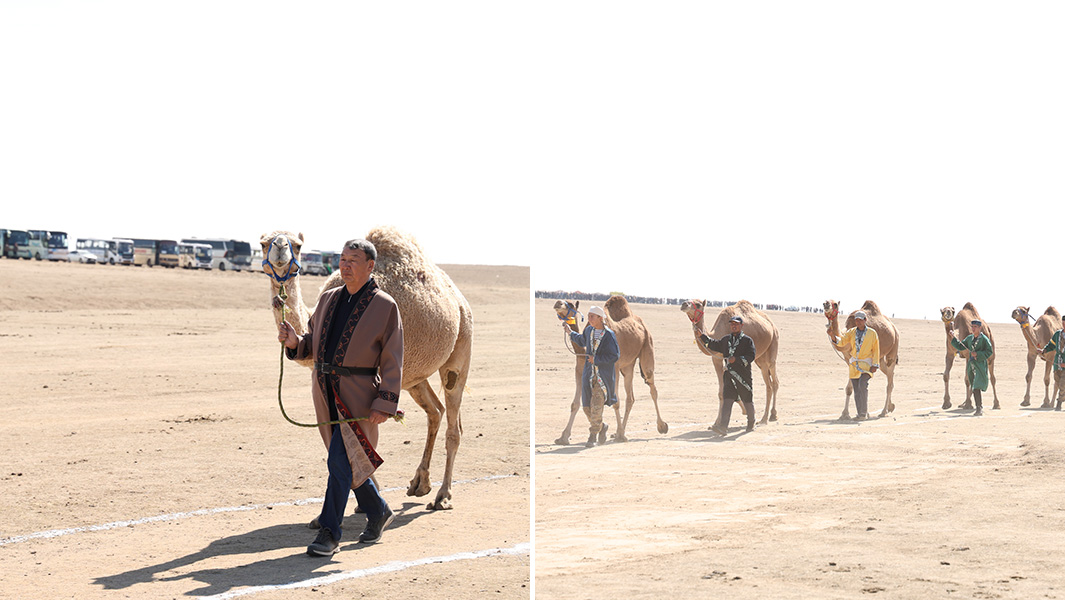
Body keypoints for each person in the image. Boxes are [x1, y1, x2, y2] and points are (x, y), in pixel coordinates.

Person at [278, 239, 403, 556]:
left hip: (358, 396)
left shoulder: (385, 306)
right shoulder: (328, 299)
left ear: (370, 265)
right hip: (324, 393)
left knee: (340, 462)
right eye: (342, 259)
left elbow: (392, 359)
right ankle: (377, 511)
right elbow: (312, 343)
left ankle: (329, 533)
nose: (345, 265)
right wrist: (295, 342)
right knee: (350, 460)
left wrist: (385, 402)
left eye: (353, 260)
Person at [564, 305, 619, 447]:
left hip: (603, 377)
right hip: (589, 375)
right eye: (588, 316)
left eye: (592, 316)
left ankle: (592, 436)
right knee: (586, 407)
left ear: (600, 318)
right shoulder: (588, 331)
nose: (589, 319)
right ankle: (602, 426)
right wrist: (570, 332)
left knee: (597, 406)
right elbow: (582, 340)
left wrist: (597, 360)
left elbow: (614, 356)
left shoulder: (609, 335)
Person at [700, 315, 757, 434]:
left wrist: (736, 360)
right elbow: (713, 344)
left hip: (743, 376)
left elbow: (751, 356)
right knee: (727, 400)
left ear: (741, 326)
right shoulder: (725, 340)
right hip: (729, 376)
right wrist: (702, 337)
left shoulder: (747, 341)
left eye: (736, 324)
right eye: (732, 324)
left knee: (747, 400)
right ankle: (723, 426)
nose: (734, 326)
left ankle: (751, 422)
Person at [828, 310, 880, 420]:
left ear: (865, 320)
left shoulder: (872, 333)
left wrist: (875, 364)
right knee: (856, 389)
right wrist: (833, 336)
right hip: (854, 365)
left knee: (862, 385)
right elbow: (842, 341)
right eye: (857, 321)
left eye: (860, 320)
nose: (858, 323)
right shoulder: (851, 332)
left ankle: (863, 413)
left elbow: (876, 349)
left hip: (866, 365)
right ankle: (860, 414)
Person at [948, 319, 992, 416]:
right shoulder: (969, 339)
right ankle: (978, 406)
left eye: (975, 327)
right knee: (973, 385)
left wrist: (978, 354)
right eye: (972, 327)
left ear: (980, 328)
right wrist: (953, 338)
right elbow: (960, 346)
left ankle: (979, 408)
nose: (973, 329)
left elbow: (989, 351)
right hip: (971, 365)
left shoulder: (984, 339)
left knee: (976, 386)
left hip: (980, 365)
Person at [1037, 314, 1065, 410]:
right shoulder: (1058, 334)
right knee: (1057, 382)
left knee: (1062, 384)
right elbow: (1051, 345)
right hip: (1057, 363)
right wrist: (1043, 351)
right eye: (1063, 323)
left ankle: (1059, 404)